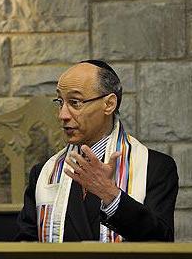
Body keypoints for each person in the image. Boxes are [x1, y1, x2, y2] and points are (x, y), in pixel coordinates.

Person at [15, 60, 178, 242]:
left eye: (75, 102)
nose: (62, 115)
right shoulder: (44, 173)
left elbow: (160, 241)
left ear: (109, 104)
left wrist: (110, 194)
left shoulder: (155, 167)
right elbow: (25, 245)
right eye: (60, 102)